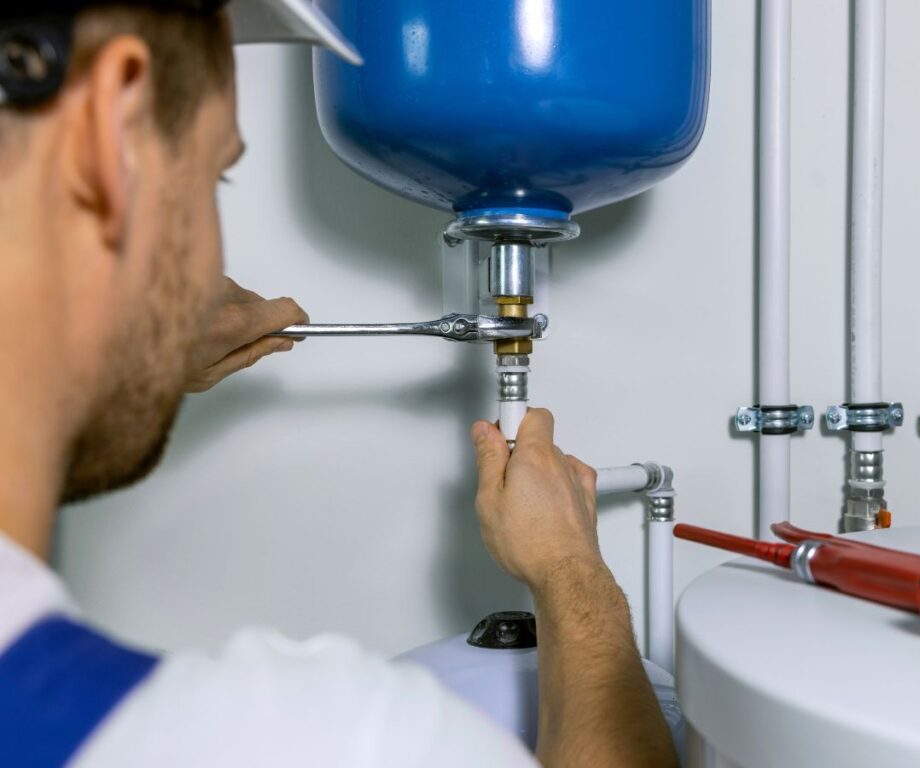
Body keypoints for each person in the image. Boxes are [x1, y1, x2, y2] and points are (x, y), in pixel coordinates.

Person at [0, 1, 677, 766]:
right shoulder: (328, 740)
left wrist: (116, 344)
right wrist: (570, 572)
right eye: (214, 174)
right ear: (103, 131)